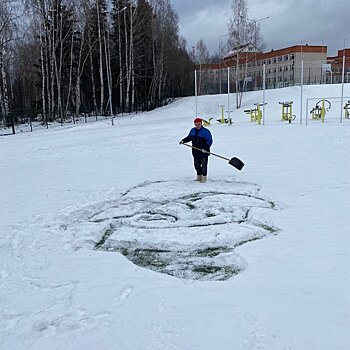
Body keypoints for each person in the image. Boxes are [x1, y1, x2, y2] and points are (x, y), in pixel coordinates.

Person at [179, 117, 213, 183]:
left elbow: (209, 141)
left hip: (203, 151)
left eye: (199, 124)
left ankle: (204, 177)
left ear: (201, 124)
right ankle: (199, 176)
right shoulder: (192, 130)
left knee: (204, 165)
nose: (197, 126)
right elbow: (189, 138)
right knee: (196, 165)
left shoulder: (206, 131)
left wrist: (205, 148)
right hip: (195, 151)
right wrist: (183, 141)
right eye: (196, 124)